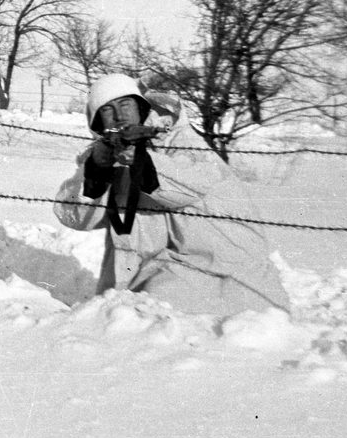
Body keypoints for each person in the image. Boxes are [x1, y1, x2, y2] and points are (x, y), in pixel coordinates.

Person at [53, 74, 290, 316]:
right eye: (107, 110)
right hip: (160, 270)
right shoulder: (105, 153)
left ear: (140, 106)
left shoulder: (179, 140)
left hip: (225, 269)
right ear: (98, 123)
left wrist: (142, 162)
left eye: (125, 104)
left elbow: (188, 188)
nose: (119, 115)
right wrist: (96, 169)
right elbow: (75, 216)